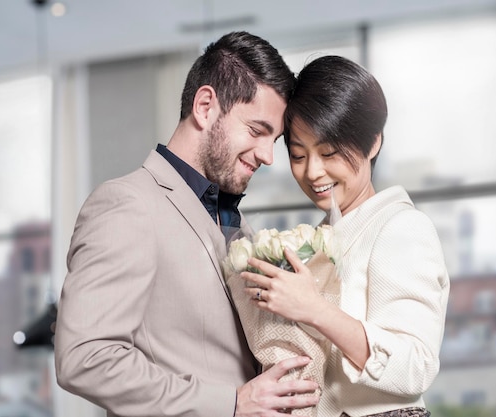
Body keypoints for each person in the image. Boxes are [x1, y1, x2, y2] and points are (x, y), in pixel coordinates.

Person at [54, 31, 320, 417]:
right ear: (206, 106)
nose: (267, 156)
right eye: (257, 131)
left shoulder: (236, 223)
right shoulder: (128, 204)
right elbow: (84, 356)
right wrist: (230, 404)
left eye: (274, 139)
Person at [241, 55, 450, 417]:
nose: (313, 172)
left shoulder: (401, 228)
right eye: (298, 155)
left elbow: (416, 366)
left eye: (329, 152)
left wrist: (315, 310)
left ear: (372, 143)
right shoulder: (315, 242)